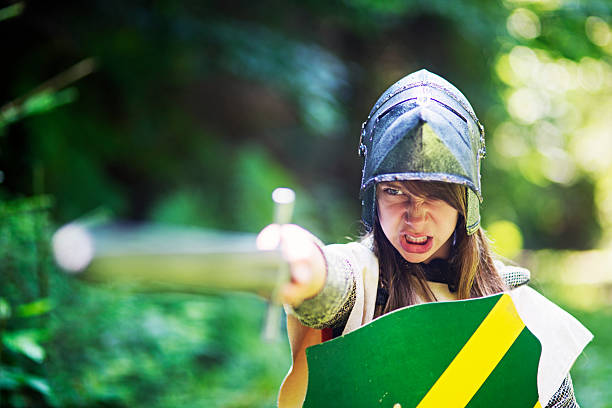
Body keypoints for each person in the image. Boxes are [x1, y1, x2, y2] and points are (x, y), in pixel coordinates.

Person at [257, 69, 592, 408]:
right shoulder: (363, 281)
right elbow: (327, 280)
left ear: (464, 201)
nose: (415, 216)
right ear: (374, 197)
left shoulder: (520, 312)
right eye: (394, 191)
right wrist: (296, 259)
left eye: (433, 194)